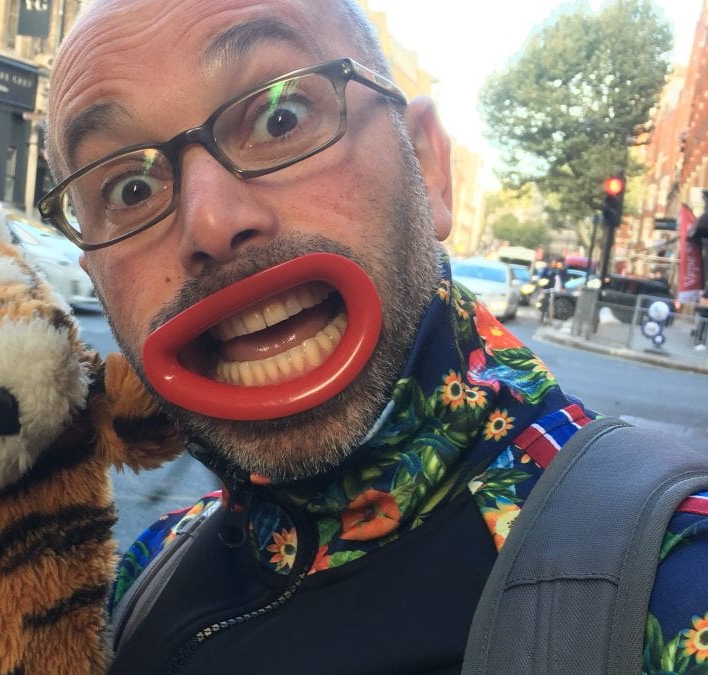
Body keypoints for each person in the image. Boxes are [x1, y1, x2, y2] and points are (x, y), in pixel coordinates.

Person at [38, 1, 708, 671]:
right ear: (94, 275)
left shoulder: (672, 580)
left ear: (428, 164)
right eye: (129, 188)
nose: (210, 222)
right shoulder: (149, 565)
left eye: (280, 117)